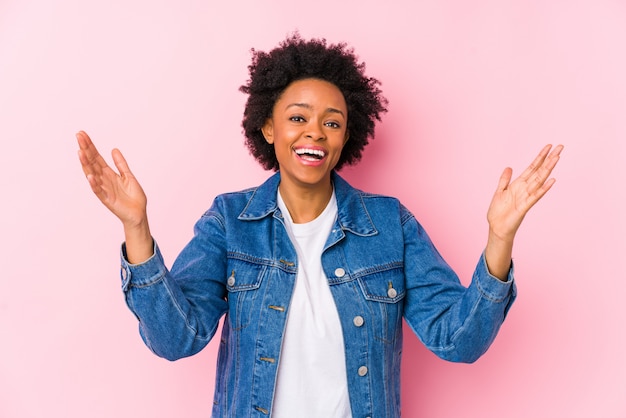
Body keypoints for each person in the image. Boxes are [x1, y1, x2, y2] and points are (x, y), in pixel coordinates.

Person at [77, 34, 563, 417]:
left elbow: (458, 340)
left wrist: (500, 238)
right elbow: (175, 339)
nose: (315, 131)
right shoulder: (230, 221)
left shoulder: (390, 224)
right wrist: (137, 227)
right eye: (297, 117)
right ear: (268, 128)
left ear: (346, 136)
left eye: (332, 122)